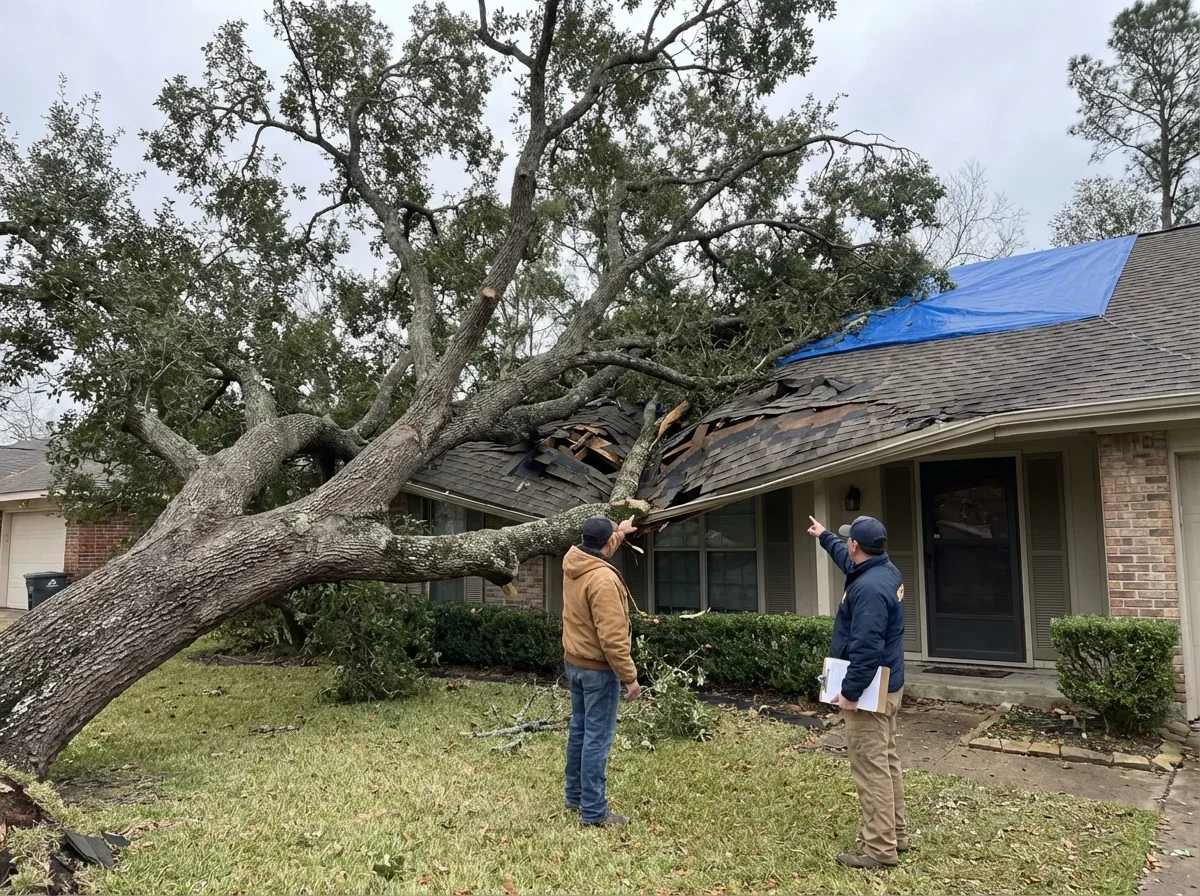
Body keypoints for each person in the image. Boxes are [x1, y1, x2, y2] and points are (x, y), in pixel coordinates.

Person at [807, 514, 908, 868]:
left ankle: (880, 850)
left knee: (870, 766)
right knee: (887, 759)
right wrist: (824, 536)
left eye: (848, 540)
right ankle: (896, 832)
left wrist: (850, 693)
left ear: (857, 546)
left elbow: (866, 648)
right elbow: (845, 558)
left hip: (868, 691)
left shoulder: (868, 589)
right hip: (889, 684)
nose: (846, 545)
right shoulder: (883, 570)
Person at [561, 515, 642, 827]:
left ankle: (575, 795)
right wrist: (630, 678)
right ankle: (594, 812)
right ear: (606, 543)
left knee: (579, 729)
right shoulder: (603, 581)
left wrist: (621, 531)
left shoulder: (574, 562)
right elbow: (612, 638)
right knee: (597, 737)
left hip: (575, 663)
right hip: (598, 669)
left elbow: (602, 547)